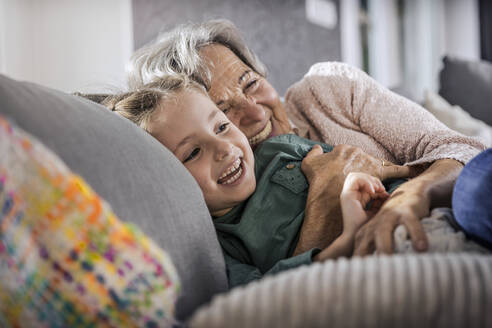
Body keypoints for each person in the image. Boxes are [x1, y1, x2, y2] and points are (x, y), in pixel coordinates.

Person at [126, 19, 486, 256]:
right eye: (223, 113)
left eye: (250, 82)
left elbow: (462, 148)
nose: (254, 113)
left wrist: (412, 195)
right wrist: (323, 201)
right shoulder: (224, 202)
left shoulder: (327, 89)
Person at [103, 77, 488, 288]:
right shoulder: (214, 243)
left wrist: (405, 183)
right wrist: (347, 237)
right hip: (388, 254)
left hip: (430, 211)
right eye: (192, 153)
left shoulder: (282, 148)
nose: (223, 148)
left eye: (222, 126)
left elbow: (376, 165)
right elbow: (262, 293)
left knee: (475, 188)